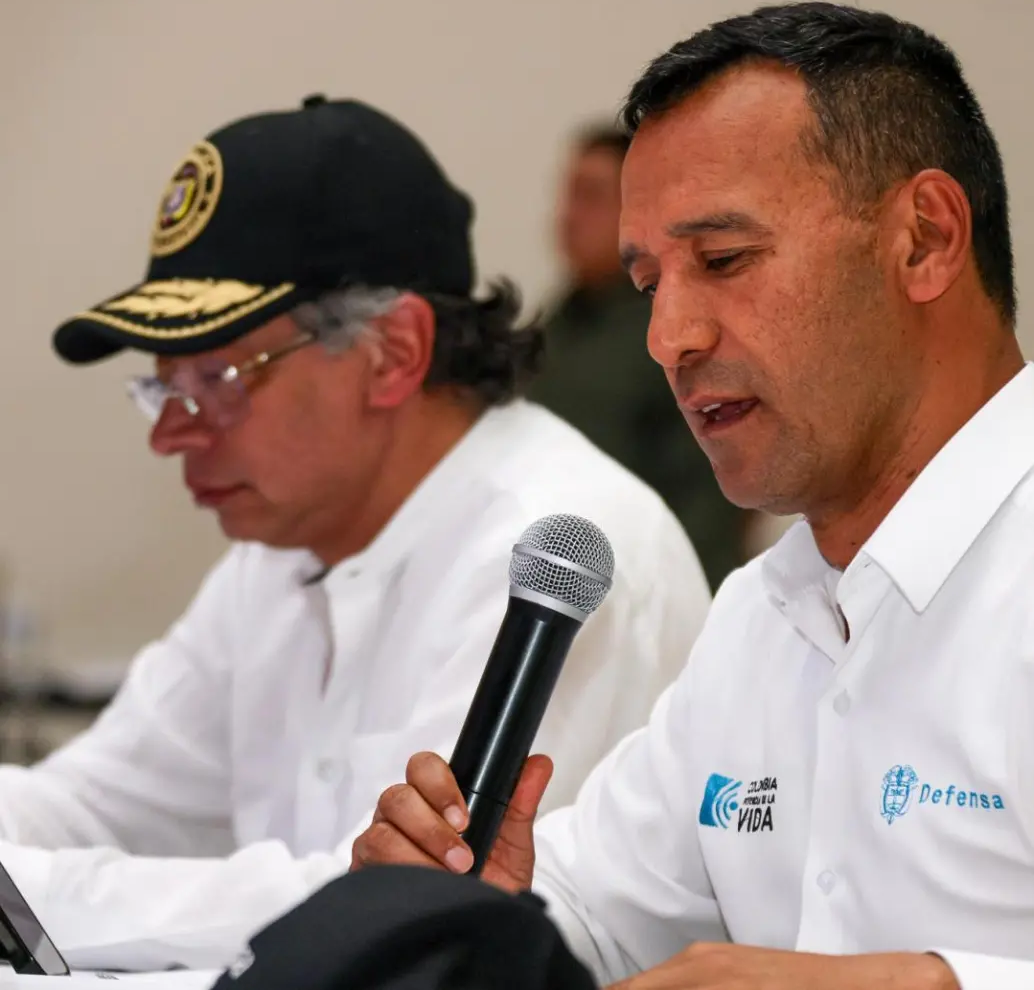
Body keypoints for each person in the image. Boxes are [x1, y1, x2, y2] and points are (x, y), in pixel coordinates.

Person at [353, 1, 1034, 989]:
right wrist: (482, 917)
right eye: (646, 283)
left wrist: (923, 983)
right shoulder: (760, 616)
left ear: (924, 239)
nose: (667, 335)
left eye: (721, 261)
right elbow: (598, 913)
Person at [0, 96, 712, 972]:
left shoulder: (553, 556)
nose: (170, 432)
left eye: (218, 377)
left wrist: (38, 898)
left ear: (393, 353)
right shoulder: (281, 546)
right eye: (162, 387)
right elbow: (91, 798)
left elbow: (397, 915)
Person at [528, 125, 746, 590]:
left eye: (589, 196)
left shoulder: (672, 336)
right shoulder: (552, 331)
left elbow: (708, 489)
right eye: (567, 196)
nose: (568, 216)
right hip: (557, 588)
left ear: (635, 212)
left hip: (647, 596)